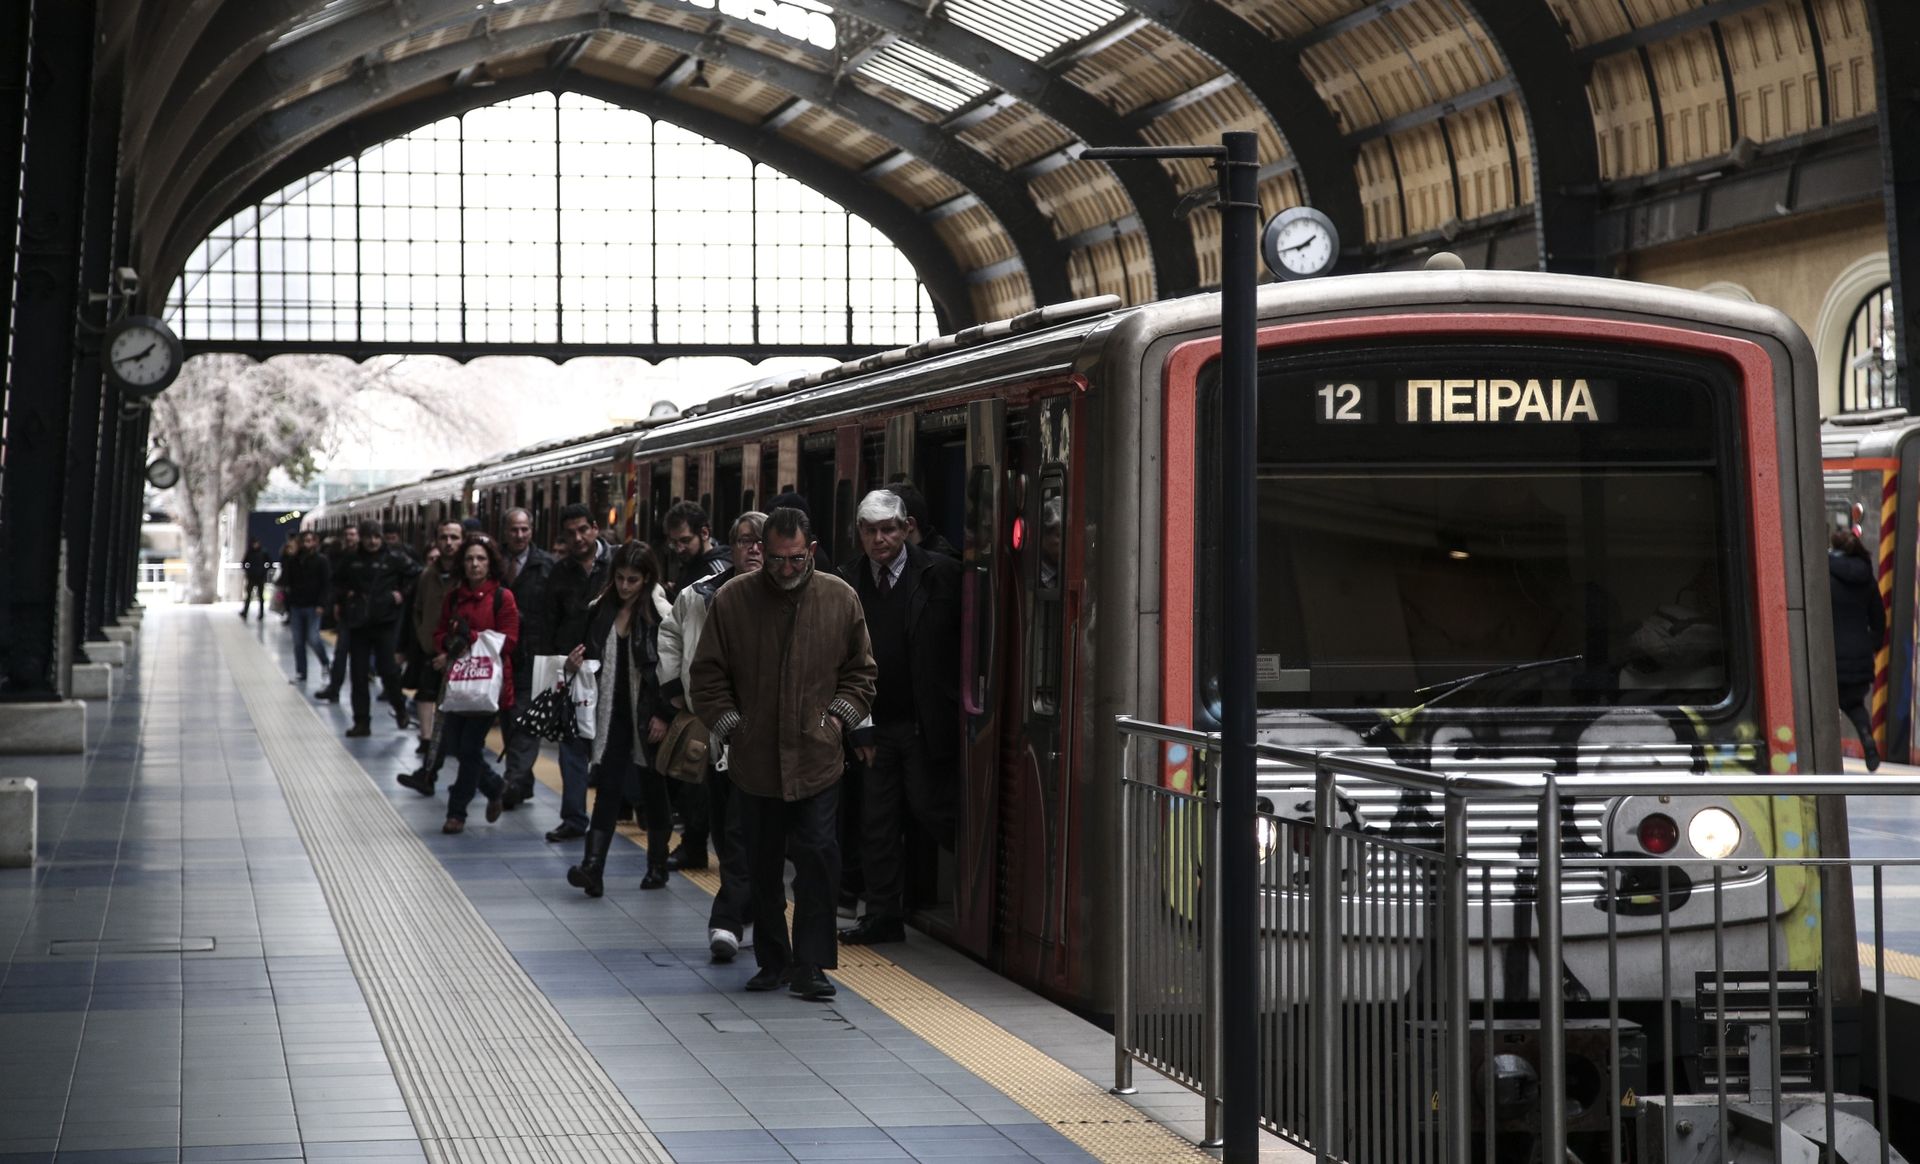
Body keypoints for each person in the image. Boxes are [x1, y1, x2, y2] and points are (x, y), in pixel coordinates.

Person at [691, 506, 876, 1001]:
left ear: (810, 551)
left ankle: (811, 964)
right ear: (763, 552)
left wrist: (836, 720)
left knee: (818, 856)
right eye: (776, 560)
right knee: (762, 864)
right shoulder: (733, 600)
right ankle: (773, 959)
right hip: (755, 762)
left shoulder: (840, 598)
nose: (786, 569)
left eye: (795, 560)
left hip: (817, 757)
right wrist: (732, 725)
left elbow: (862, 673)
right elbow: (706, 675)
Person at [839, 490, 962, 945]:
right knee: (878, 823)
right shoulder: (847, 580)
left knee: (932, 808)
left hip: (924, 721)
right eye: (870, 531)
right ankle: (884, 915)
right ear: (860, 534)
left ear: (906, 526)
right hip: (874, 725)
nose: (879, 539)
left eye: (888, 529)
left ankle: (971, 888)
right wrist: (858, 726)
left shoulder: (941, 574)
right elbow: (842, 659)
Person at [658, 510, 765, 961]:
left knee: (745, 829)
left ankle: (727, 918)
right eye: (745, 541)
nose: (754, 549)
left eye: (763, 541)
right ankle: (748, 913)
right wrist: (674, 692)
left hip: (766, 738)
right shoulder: (698, 596)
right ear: (730, 547)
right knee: (726, 826)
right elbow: (669, 638)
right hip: (718, 733)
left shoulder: (792, 597)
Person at [563, 541, 675, 896]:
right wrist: (574, 664)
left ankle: (658, 865)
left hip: (649, 714)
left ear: (647, 579)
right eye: (621, 578)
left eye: (633, 580)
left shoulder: (660, 613)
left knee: (654, 791)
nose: (625, 586)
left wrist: (663, 713)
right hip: (611, 715)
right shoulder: (601, 609)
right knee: (608, 788)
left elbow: (672, 670)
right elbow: (589, 656)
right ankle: (592, 867)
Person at [431, 535, 520, 833]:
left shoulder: (502, 598)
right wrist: (448, 647)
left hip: (487, 688)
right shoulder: (454, 598)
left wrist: (469, 640)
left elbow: (509, 641)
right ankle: (494, 787)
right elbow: (440, 633)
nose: (475, 564)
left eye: (481, 559)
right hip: (458, 686)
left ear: (490, 563)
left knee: (470, 747)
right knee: (457, 745)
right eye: (469, 559)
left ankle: (457, 811)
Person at [540, 504, 612, 842]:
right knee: (572, 744)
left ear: (596, 528)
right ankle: (573, 818)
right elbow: (547, 625)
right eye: (570, 533)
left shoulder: (617, 565)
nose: (578, 538)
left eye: (583, 530)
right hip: (572, 671)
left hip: (611, 668)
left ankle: (615, 812)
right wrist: (555, 665)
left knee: (613, 744)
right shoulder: (559, 574)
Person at [334, 519, 418, 738]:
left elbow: (417, 575)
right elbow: (336, 582)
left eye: (376, 537)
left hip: (385, 623)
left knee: (389, 671)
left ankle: (400, 708)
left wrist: (401, 594)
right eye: (368, 537)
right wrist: (345, 598)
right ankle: (361, 721)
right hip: (358, 624)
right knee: (359, 674)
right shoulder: (351, 559)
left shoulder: (394, 558)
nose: (372, 542)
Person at [497, 507, 556, 811]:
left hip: (533, 658)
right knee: (509, 721)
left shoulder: (546, 565)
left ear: (532, 530)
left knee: (524, 723)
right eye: (513, 530)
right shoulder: (493, 563)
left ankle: (512, 781)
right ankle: (524, 783)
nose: (519, 535)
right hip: (501, 658)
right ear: (505, 532)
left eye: (524, 529)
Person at [405, 521, 466, 757]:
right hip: (430, 647)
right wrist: (423, 638)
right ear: (436, 541)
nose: (449, 543)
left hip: (458, 650)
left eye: (454, 537)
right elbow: (417, 609)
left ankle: (444, 746)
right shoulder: (427, 575)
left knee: (456, 699)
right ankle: (427, 739)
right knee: (426, 693)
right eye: (444, 537)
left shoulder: (468, 572)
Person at [1831, 529, 1886, 771]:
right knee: (1854, 704)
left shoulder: (1825, 574)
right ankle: (1866, 737)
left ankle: (1824, 758)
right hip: (1859, 656)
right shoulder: (1867, 578)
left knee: (1824, 705)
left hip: (1830, 656)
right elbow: (1879, 620)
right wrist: (1870, 646)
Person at [283, 530, 333, 687]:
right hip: (296, 606)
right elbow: (286, 581)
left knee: (313, 638)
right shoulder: (293, 561)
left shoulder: (322, 561)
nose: (307, 544)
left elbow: (326, 584)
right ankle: (301, 672)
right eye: (305, 541)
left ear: (315, 542)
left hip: (313, 606)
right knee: (298, 642)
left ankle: (325, 663)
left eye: (310, 541)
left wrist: (321, 604)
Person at [662, 501, 732, 598]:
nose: (679, 549)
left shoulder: (719, 572)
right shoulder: (691, 564)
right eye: (674, 543)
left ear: (704, 533)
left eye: (685, 540)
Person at [884, 482, 959, 559]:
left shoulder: (942, 564)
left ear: (909, 525)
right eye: (872, 529)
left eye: (886, 528)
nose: (878, 538)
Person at [240, 538, 272, 620]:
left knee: (261, 596)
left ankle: (261, 613)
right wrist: (248, 571)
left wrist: (264, 571)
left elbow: (270, 563)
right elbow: (243, 563)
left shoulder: (263, 552)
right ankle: (245, 611)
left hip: (260, 577)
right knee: (248, 595)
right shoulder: (250, 552)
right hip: (251, 577)